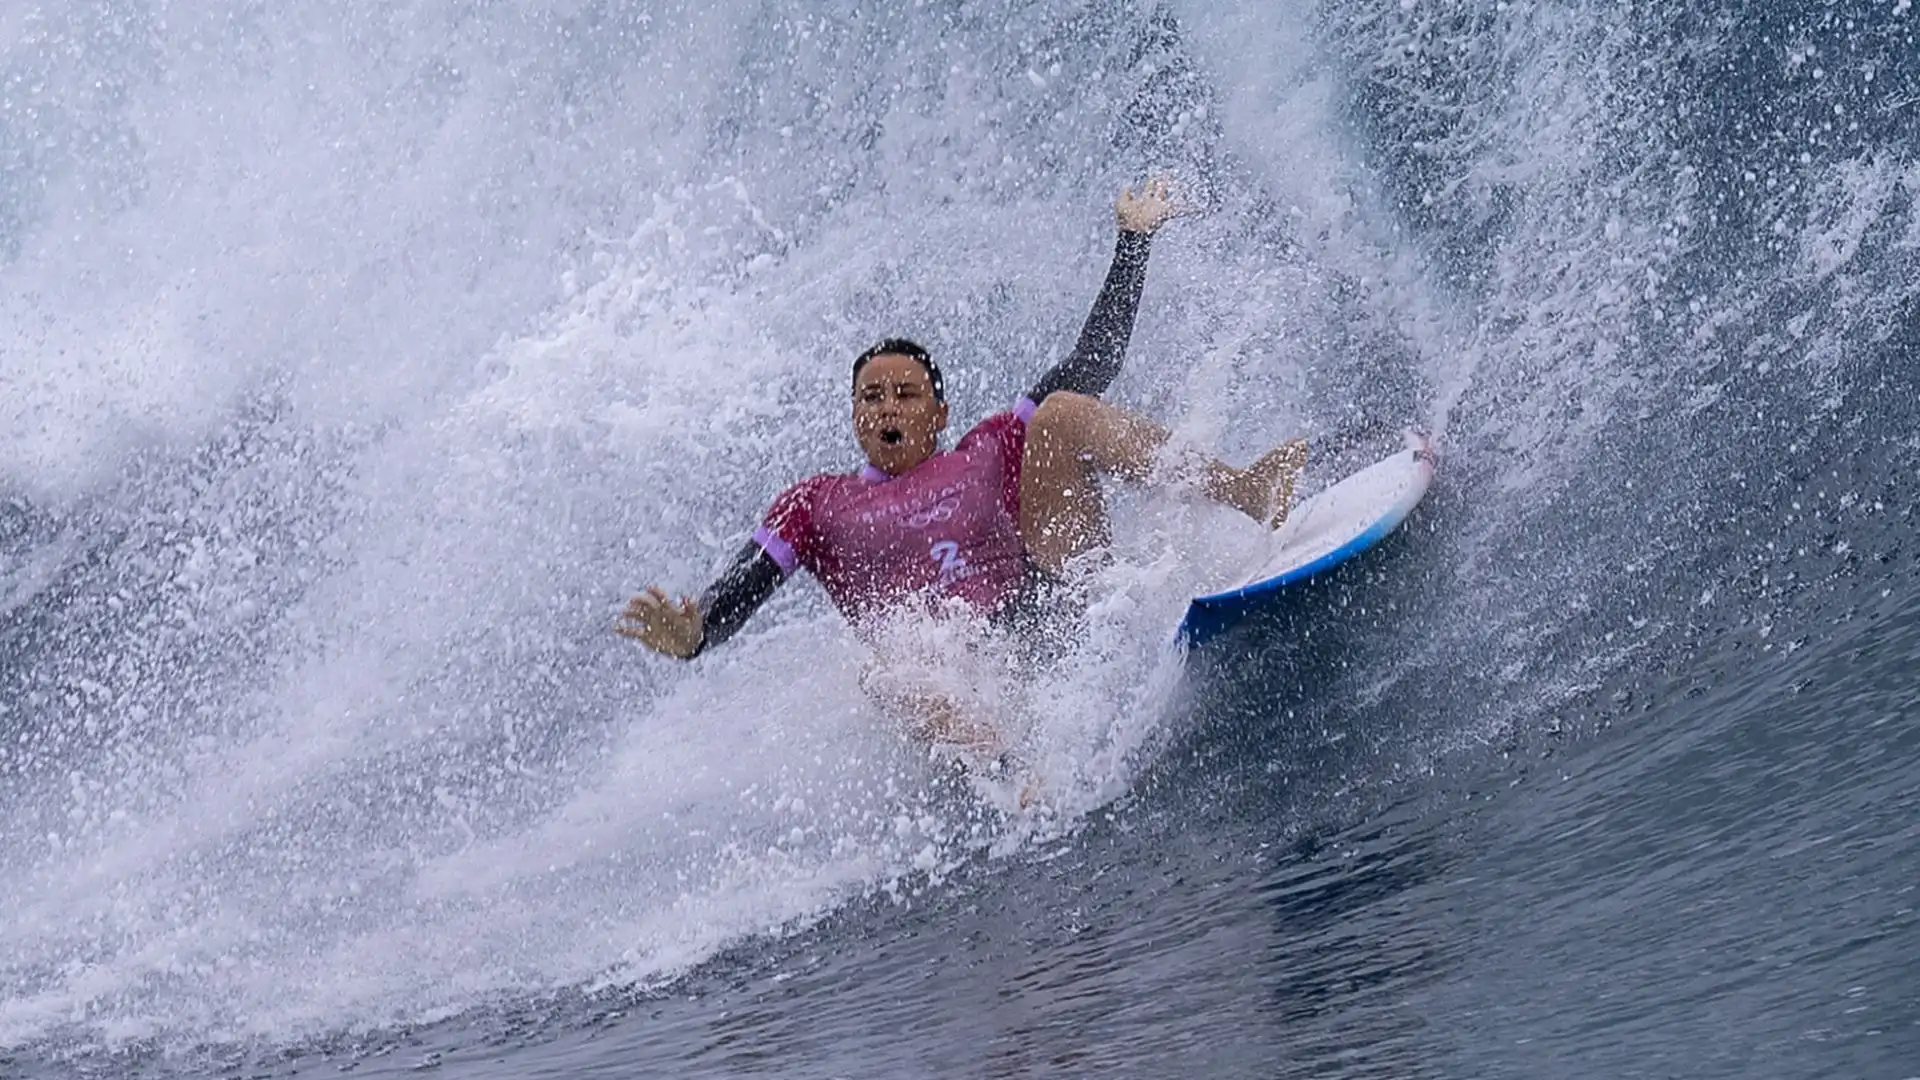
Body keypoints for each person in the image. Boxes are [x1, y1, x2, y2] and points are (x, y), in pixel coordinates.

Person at [618, 179, 1307, 750]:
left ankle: (1249, 491)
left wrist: (1133, 242)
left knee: (1063, 408)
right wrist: (697, 631)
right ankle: (1014, 772)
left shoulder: (987, 446)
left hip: (1056, 610)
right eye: (872, 397)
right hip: (961, 675)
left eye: (906, 394)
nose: (888, 408)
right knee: (885, 674)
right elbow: (748, 580)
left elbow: (1095, 361)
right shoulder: (815, 505)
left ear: (938, 411)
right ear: (855, 415)